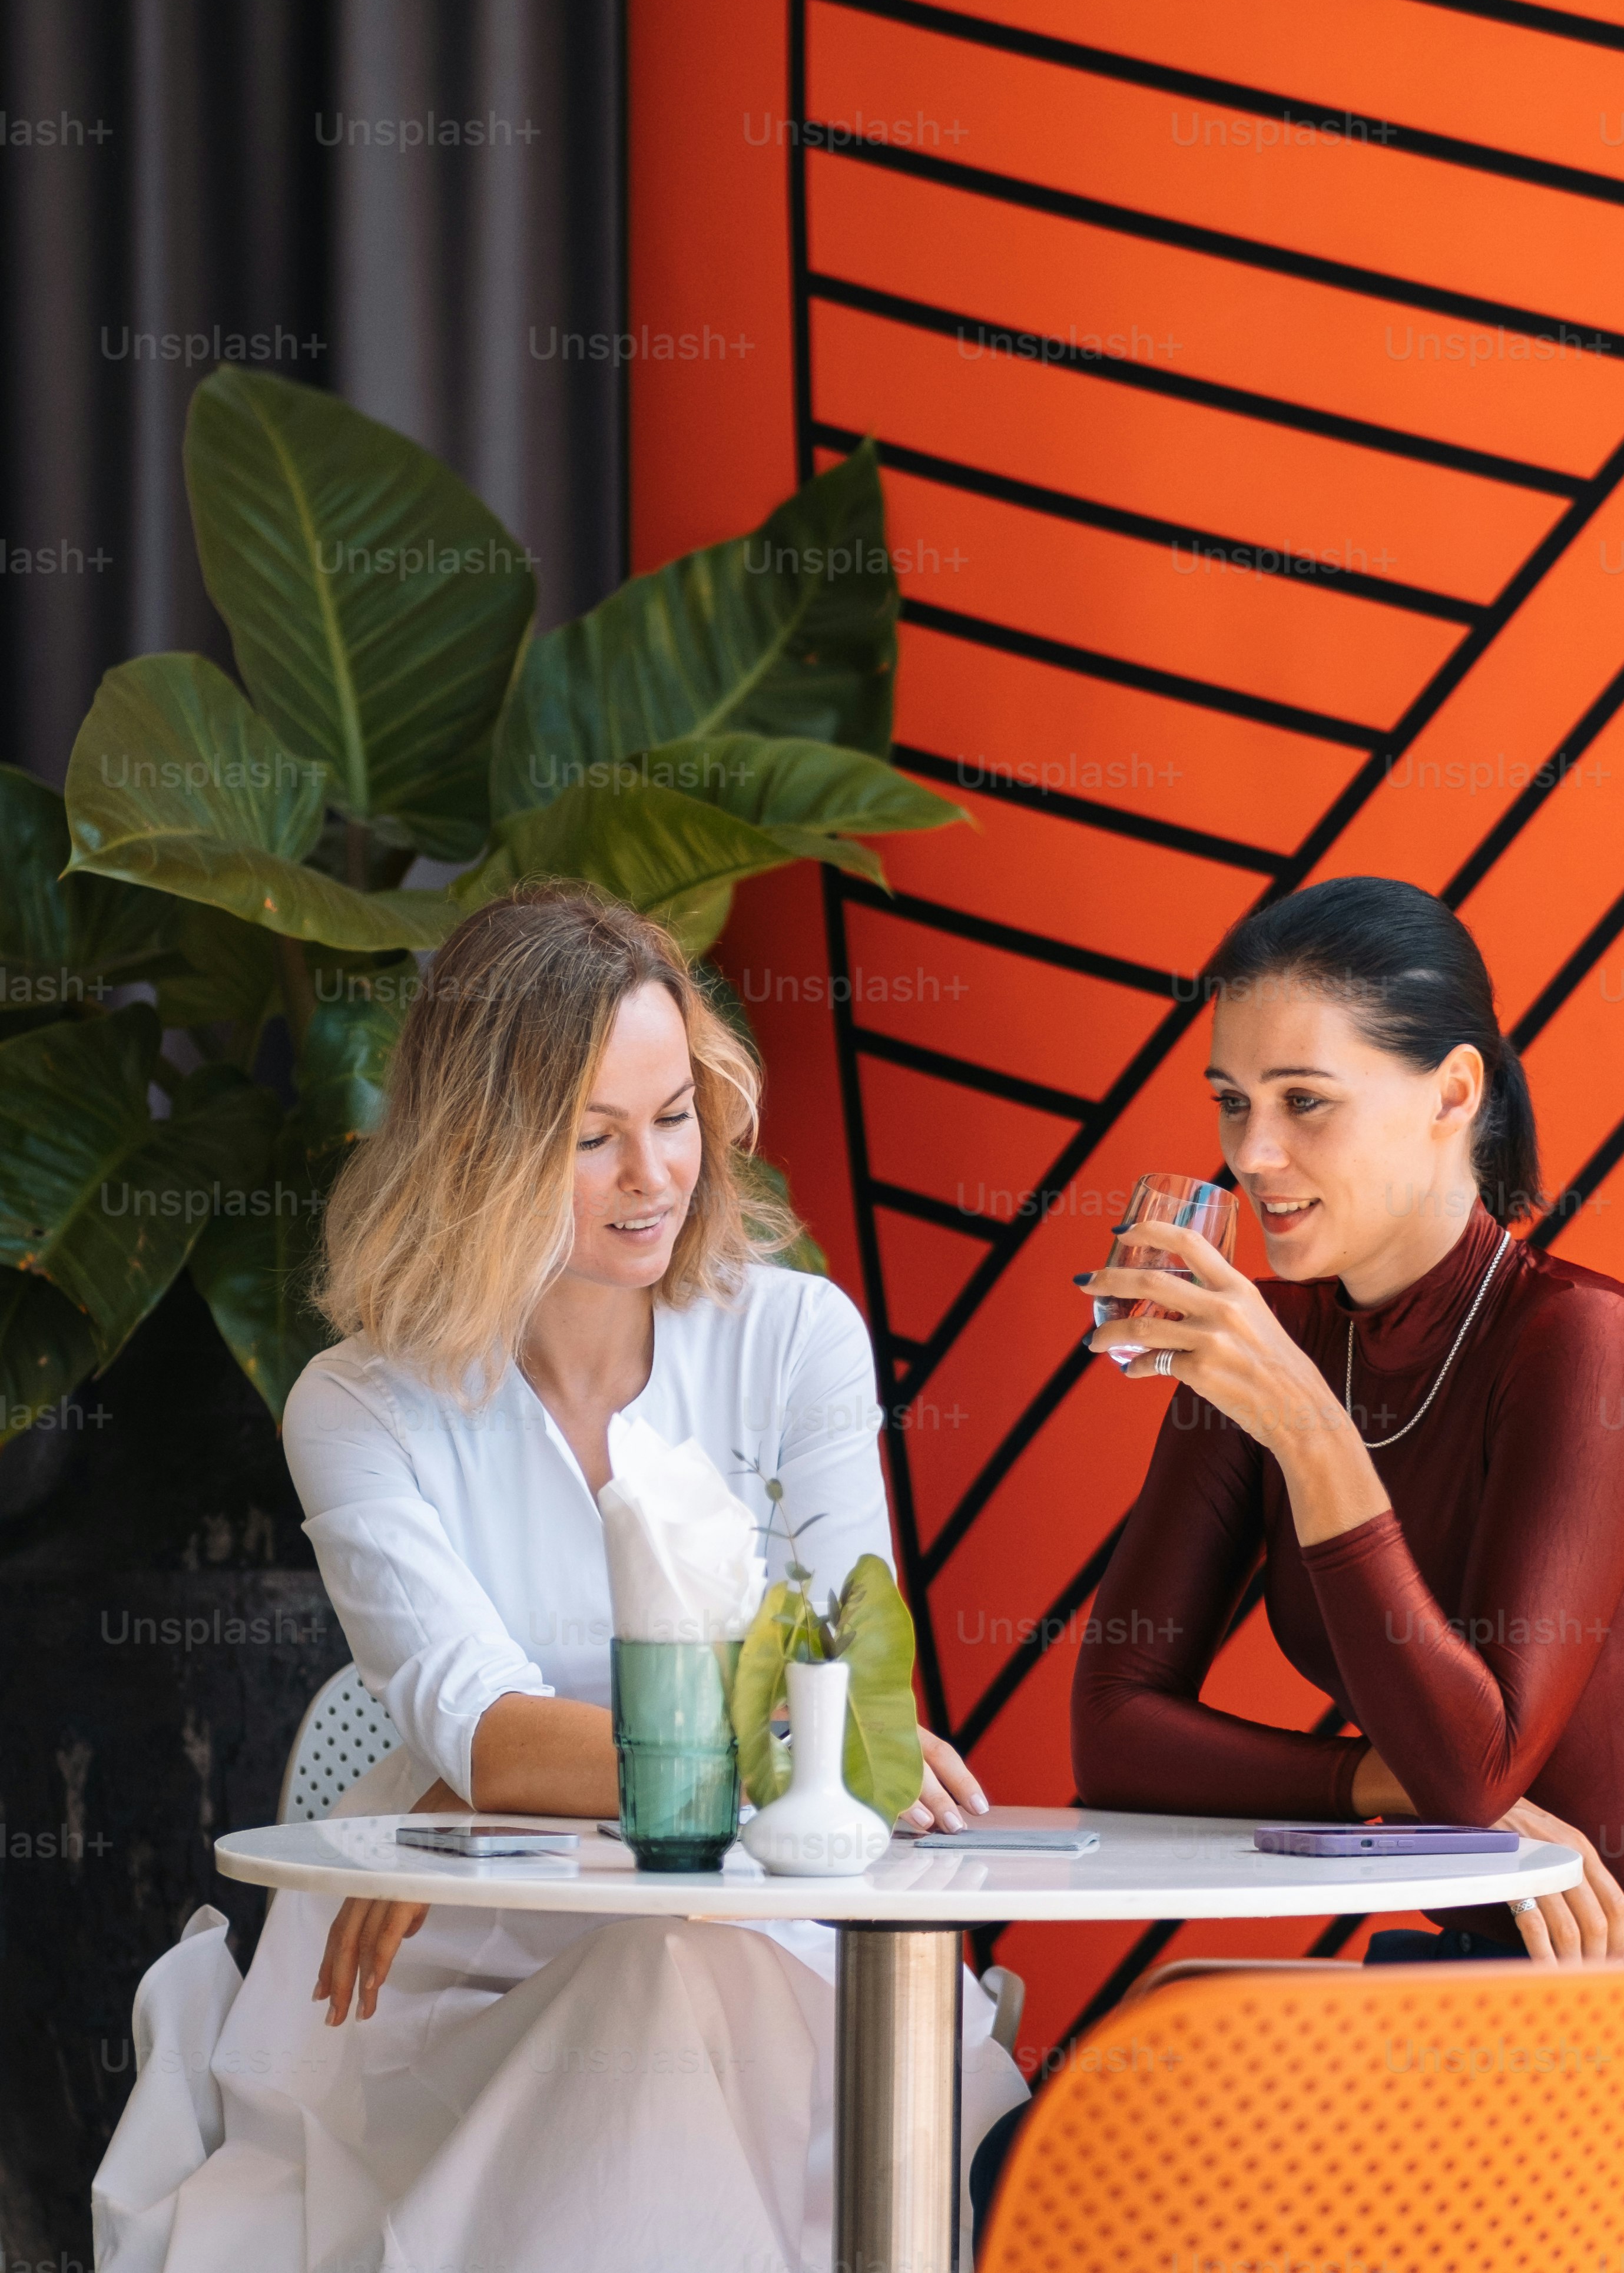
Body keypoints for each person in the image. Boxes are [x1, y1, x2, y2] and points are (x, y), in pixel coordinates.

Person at [94, 883, 1025, 2273]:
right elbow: (505, 1727)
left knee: (667, 1970)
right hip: (444, 1963)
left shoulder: (795, 1340)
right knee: (638, 1995)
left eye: (672, 1115)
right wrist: (737, 1752)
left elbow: (844, 1676)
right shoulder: (360, 1407)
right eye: (591, 1139)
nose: (653, 1175)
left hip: (739, 1927)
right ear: (479, 1155)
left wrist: (499, 1790)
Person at [980, 875, 1624, 2259]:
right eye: (1228, 1102)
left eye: (1304, 1101)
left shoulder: (1583, 1347)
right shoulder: (1260, 1346)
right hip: (1483, 2014)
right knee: (1056, 2160)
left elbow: (1474, 1767)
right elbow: (1116, 1731)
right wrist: (1381, 1793)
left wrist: (1306, 1423)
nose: (1252, 1151)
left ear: (1454, 1093)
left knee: (1360, 2212)